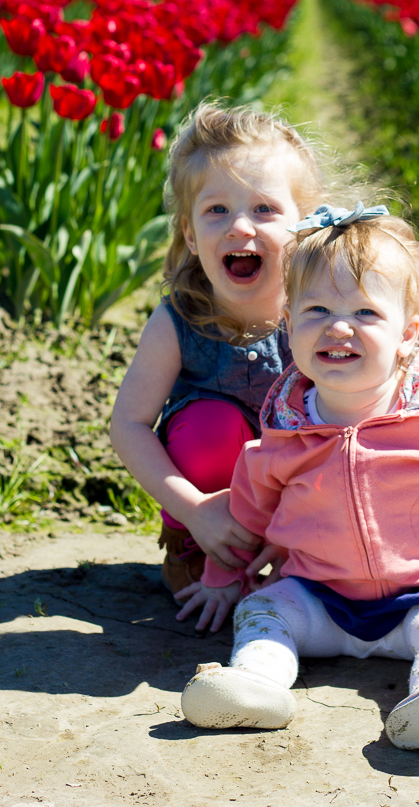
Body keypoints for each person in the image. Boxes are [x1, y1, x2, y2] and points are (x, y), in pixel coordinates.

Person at [177, 202, 419, 750]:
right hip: (321, 598)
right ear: (288, 325)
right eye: (317, 310)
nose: (339, 327)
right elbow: (249, 513)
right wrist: (221, 578)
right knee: (263, 610)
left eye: (366, 314)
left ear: (408, 332)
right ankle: (257, 685)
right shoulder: (286, 427)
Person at [110, 103, 327, 598]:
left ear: (305, 224)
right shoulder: (177, 322)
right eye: (217, 210)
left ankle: (305, 556)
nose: (240, 227)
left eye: (264, 209)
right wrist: (192, 509)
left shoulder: (319, 316)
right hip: (207, 491)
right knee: (211, 430)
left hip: (300, 495)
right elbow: (127, 424)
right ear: (190, 232)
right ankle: (199, 548)